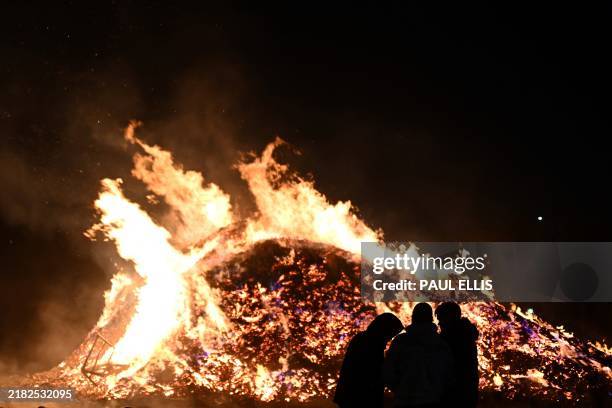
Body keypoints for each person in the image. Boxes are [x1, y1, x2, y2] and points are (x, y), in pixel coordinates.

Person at [384, 303, 454, 408]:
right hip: (432, 400)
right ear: (431, 319)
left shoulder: (400, 341)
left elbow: (388, 370)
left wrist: (399, 389)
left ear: (413, 318)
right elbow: (449, 375)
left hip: (404, 400)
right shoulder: (441, 343)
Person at [334, 312, 404, 408]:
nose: (390, 339)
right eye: (390, 335)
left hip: (349, 395)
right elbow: (373, 374)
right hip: (359, 398)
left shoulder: (363, 338)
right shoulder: (372, 345)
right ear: (385, 330)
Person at [435, 302, 479, 407]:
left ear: (449, 317)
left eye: (441, 319)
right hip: (467, 391)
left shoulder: (451, 338)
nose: (439, 323)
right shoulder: (466, 333)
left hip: (454, 392)